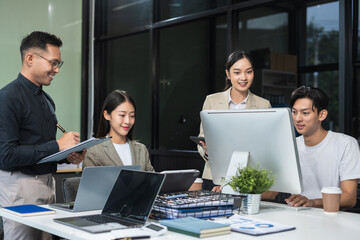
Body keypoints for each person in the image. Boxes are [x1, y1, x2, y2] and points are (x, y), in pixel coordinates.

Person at [0, 31, 86, 240]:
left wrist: (68, 154)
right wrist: (58, 146)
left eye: (59, 64)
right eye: (53, 63)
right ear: (30, 58)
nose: (56, 70)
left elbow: (40, 148)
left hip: (48, 184)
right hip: (20, 187)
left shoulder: (47, 100)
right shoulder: (7, 98)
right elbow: (6, 155)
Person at [263, 86, 360, 208]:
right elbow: (271, 193)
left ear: (322, 115)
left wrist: (311, 202)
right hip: (297, 215)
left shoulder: (346, 144)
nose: (298, 119)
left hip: (331, 217)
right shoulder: (290, 146)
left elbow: (349, 198)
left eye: (305, 113)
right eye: (294, 112)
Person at [197, 50, 271, 191]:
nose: (243, 77)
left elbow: (266, 147)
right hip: (215, 177)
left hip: (249, 178)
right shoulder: (212, 101)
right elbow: (202, 140)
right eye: (237, 72)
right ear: (228, 74)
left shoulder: (264, 105)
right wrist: (207, 151)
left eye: (248, 72)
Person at [83, 90, 154, 171]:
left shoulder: (141, 149)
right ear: (107, 115)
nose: (127, 121)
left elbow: (153, 181)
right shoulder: (94, 151)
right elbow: (91, 183)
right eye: (122, 115)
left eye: (132, 116)